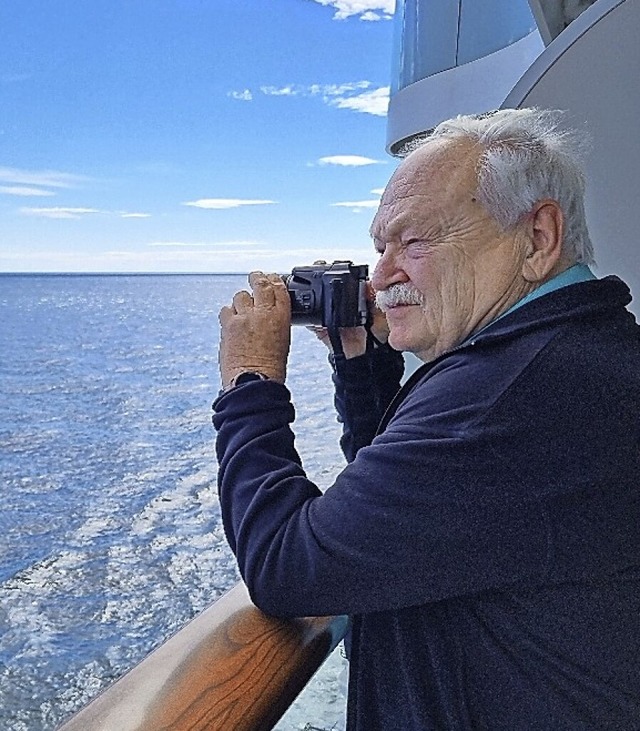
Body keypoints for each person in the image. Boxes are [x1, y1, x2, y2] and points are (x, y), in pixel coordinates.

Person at [212, 108, 640, 730]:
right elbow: (402, 516)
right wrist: (362, 364)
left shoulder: (507, 397)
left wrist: (249, 380)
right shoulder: (565, 354)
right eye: (379, 248)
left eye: (413, 242)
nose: (381, 276)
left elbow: (288, 564)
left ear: (538, 239)